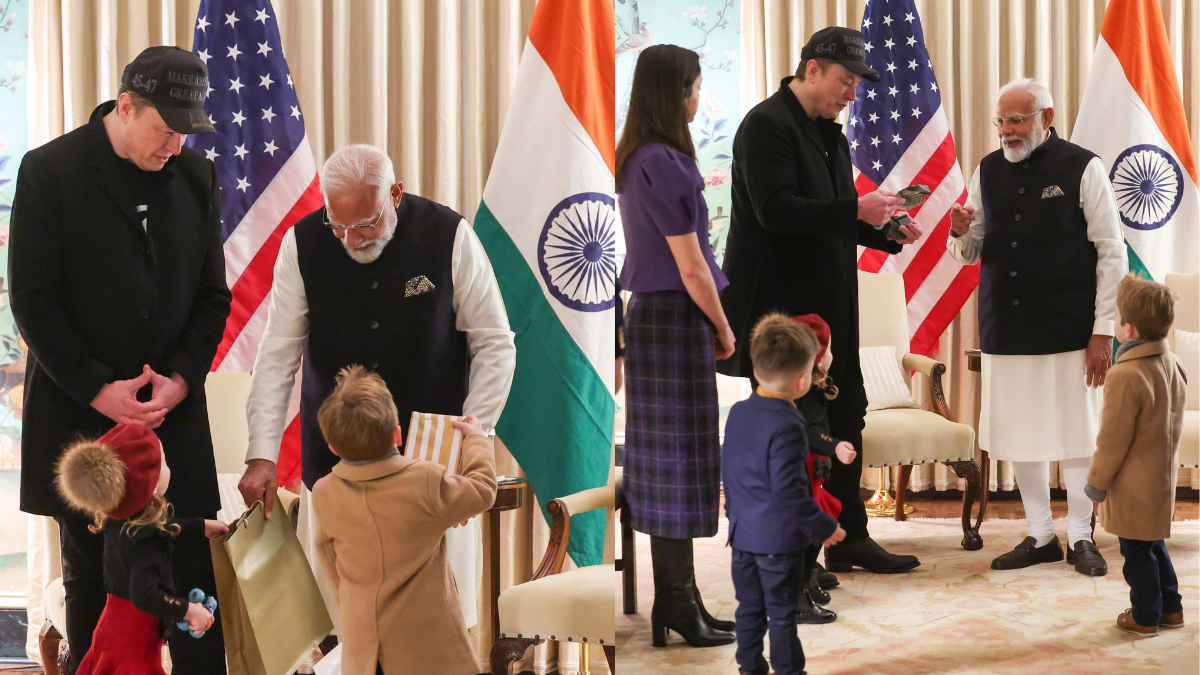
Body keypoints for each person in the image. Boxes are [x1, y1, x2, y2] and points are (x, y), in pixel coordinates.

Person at [9, 46, 231, 673]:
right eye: (165, 130)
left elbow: (214, 296)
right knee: (95, 589)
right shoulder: (49, 171)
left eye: (185, 134)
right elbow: (32, 301)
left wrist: (183, 380)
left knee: (191, 578)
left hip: (173, 422)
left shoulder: (197, 176)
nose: (174, 146)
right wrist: (98, 391)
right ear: (126, 106)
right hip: (81, 423)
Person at [238, 144, 515, 629]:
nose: (351, 239)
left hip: (432, 464)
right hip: (335, 470)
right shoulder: (301, 243)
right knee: (342, 623)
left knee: (437, 627)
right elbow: (277, 355)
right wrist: (261, 452)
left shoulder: (449, 235)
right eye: (338, 225)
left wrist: (474, 433)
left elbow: (496, 344)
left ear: (395, 193)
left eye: (366, 224)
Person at [718, 26, 923, 577]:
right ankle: (795, 556)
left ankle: (849, 536)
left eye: (856, 83)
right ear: (812, 69)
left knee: (846, 413)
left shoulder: (829, 132)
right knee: (797, 432)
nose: (852, 93)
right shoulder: (765, 125)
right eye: (845, 80)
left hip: (831, 304)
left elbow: (833, 214)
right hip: (784, 311)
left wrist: (886, 234)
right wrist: (858, 210)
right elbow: (777, 211)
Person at [947, 77, 1126, 576]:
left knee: (1076, 433)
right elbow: (969, 251)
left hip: (1072, 327)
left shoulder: (1083, 166)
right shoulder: (986, 170)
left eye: (1017, 119)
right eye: (1001, 120)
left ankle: (1079, 535)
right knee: (1020, 432)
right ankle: (1041, 533)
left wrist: (1103, 330)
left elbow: (1112, 252)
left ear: (1046, 118)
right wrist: (959, 233)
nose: (1006, 130)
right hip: (1007, 324)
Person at [615, 44, 736, 648]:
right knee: (677, 460)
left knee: (672, 459)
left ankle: (679, 599)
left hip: (654, 318)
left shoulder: (641, 157)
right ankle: (677, 602)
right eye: (693, 86)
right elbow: (692, 267)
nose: (697, 98)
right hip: (676, 317)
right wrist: (723, 325)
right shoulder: (665, 161)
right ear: (674, 92)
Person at [312, 366, 497, 675]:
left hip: (364, 644)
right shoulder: (424, 480)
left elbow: (328, 559)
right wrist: (476, 440)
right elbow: (483, 490)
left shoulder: (324, 492)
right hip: (427, 643)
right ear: (397, 433)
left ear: (332, 447)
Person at [722, 314, 845, 675]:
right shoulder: (790, 423)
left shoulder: (738, 412)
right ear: (804, 379)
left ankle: (750, 667)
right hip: (777, 541)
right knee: (781, 613)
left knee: (748, 607)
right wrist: (824, 527)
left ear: (756, 369)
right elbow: (790, 491)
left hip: (742, 536)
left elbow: (730, 470)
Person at [54, 423, 229, 675]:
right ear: (151, 482)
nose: (168, 468)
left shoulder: (121, 519)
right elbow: (145, 595)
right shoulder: (147, 542)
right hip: (133, 645)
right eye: (164, 463)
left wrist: (199, 526)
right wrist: (188, 610)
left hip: (112, 629)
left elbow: (160, 528)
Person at [1084, 276, 1187, 636]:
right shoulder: (1171, 363)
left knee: (1137, 553)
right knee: (1153, 544)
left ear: (1127, 329)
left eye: (1115, 319)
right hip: (1160, 481)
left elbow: (1111, 441)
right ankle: (1171, 609)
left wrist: (1096, 484)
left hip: (1133, 485)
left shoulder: (1126, 374)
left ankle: (1145, 615)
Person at [791, 314, 857, 623]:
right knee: (807, 533)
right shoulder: (809, 395)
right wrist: (834, 446)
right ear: (818, 357)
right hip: (803, 474)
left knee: (813, 532)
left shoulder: (804, 387)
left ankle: (807, 580)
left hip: (811, 474)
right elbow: (810, 433)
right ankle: (796, 595)